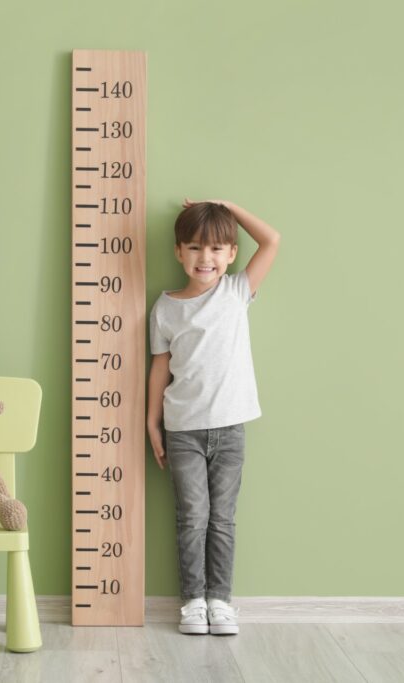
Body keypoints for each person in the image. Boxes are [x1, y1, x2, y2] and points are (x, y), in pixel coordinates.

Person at [147, 199, 281, 636]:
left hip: (230, 427)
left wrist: (227, 207)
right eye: (195, 248)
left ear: (230, 254)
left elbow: (271, 239)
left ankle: (221, 601)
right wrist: (152, 422)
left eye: (217, 249)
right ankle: (193, 602)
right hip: (183, 428)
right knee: (192, 518)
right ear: (178, 252)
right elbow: (160, 367)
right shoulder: (165, 307)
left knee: (222, 518)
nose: (206, 259)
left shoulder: (237, 292)